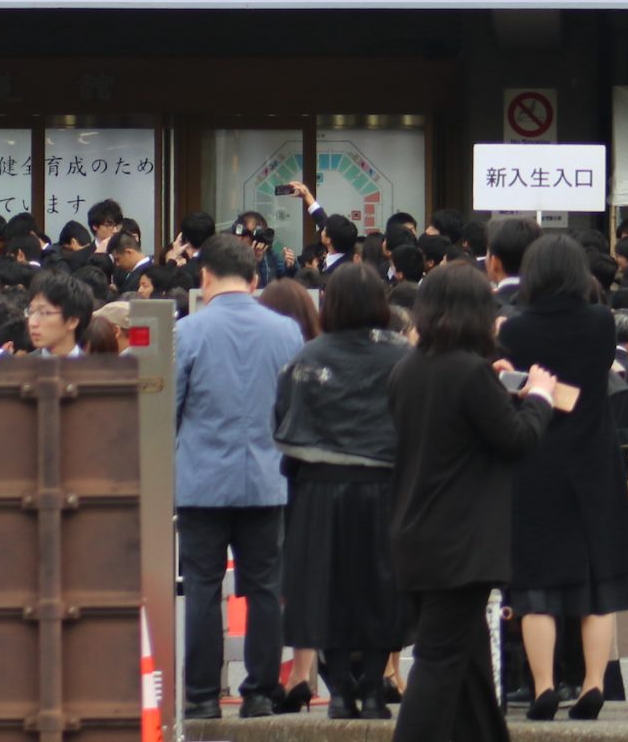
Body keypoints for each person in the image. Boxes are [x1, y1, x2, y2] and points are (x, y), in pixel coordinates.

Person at [388, 263, 560, 742]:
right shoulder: (468, 372)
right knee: (441, 661)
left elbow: (454, 429)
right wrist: (540, 398)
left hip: (416, 533)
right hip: (458, 543)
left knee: (470, 663)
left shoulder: (409, 369)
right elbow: (517, 439)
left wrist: (498, 387)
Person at [500, 232, 628, 720]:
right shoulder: (599, 322)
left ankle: (542, 686)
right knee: (596, 580)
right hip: (594, 459)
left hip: (536, 459)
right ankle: (592, 683)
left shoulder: (515, 330)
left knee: (536, 582)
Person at [174, 233, 306, 722]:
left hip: (202, 481)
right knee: (266, 587)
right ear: (255, 278)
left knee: (203, 589)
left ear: (204, 276)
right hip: (268, 478)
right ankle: (260, 692)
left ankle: (204, 696)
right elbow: (294, 408)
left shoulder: (188, 331)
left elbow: (171, 408)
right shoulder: (286, 331)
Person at [271, 256, 405, 718]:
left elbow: (282, 418)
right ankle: (372, 686)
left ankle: (341, 691)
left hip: (319, 490)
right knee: (380, 588)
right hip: (385, 488)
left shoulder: (309, 356)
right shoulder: (402, 356)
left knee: (326, 589)